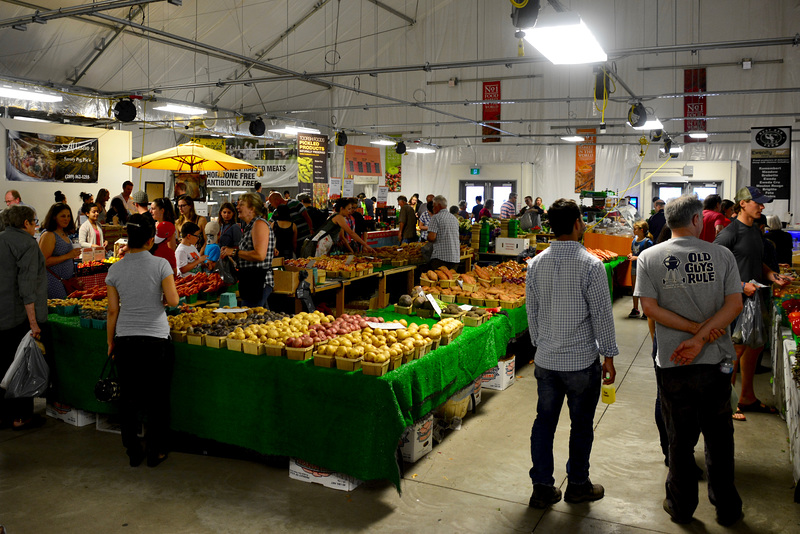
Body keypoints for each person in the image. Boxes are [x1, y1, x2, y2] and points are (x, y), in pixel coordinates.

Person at [636, 194, 744, 526]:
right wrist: (703, 335)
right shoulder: (722, 254)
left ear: (668, 221)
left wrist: (690, 334)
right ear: (697, 220)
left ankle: (681, 507)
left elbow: (649, 309)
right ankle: (727, 508)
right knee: (720, 435)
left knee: (679, 438)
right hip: (718, 361)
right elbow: (734, 304)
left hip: (673, 362)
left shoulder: (649, 257)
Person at [525, 198, 617, 509]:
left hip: (547, 361)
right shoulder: (591, 265)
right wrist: (609, 356)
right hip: (581, 363)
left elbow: (532, 312)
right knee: (581, 425)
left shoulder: (535, 264)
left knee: (544, 422)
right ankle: (577, 485)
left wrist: (541, 344)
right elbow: (603, 315)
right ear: (577, 223)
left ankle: (542, 487)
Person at [106, 214, 179, 467]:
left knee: (128, 398)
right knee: (157, 397)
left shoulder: (115, 268)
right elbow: (173, 301)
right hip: (156, 339)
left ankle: (133, 451)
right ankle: (156, 451)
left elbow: (112, 310)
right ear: (150, 240)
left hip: (125, 339)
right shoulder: (161, 265)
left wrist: (110, 342)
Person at [714, 186, 789, 420]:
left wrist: (772, 276)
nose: (762, 206)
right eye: (757, 202)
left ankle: (747, 397)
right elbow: (715, 266)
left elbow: (757, 262)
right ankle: (727, 401)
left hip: (754, 299)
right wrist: (741, 283)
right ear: (743, 204)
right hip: (734, 300)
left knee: (754, 347)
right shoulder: (729, 233)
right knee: (734, 352)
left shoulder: (755, 231)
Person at [0, 205, 48, 431]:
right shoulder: (27, 244)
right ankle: (20, 417)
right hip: (17, 317)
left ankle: (3, 416)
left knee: (2, 366)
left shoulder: (2, 239)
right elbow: (27, 288)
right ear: (27, 223)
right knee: (21, 366)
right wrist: (33, 322)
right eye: (34, 221)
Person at [220, 193, 275, 308]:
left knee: (253, 318)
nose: (237, 207)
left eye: (241, 205)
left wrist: (234, 252)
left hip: (258, 281)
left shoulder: (259, 224)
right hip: (251, 280)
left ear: (252, 209)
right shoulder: (250, 226)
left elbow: (260, 255)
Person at [305, 198, 374, 257]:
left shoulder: (335, 216)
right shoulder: (339, 217)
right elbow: (351, 233)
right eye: (348, 209)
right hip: (322, 245)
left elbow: (341, 235)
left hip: (324, 243)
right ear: (342, 208)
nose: (350, 211)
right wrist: (366, 245)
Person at [39, 203, 81, 299]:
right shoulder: (49, 235)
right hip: (53, 281)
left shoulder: (63, 233)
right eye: (63, 216)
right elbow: (44, 261)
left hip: (64, 281)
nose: (67, 219)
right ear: (54, 217)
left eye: (68, 216)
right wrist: (68, 255)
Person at [627, 220, 654, 319]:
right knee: (634, 289)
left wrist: (637, 258)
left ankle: (646, 310)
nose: (634, 231)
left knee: (643, 290)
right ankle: (635, 308)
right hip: (634, 267)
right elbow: (632, 251)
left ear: (641, 230)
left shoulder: (647, 242)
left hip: (643, 269)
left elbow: (650, 256)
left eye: (635, 229)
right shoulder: (634, 240)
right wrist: (631, 255)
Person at [426, 195, 460, 271]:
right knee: (450, 281)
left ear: (438, 206)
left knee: (439, 281)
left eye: (434, 206)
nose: (433, 208)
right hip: (455, 258)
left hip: (441, 258)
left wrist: (427, 237)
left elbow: (432, 237)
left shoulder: (436, 217)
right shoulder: (454, 218)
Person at [149, 197, 178, 276]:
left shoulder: (168, 227)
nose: (150, 211)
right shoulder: (155, 224)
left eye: (153, 209)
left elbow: (171, 249)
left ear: (162, 210)